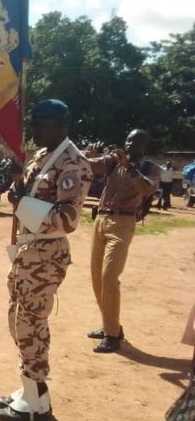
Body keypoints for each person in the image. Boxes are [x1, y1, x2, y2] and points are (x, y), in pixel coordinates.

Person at [0, 99, 92, 421]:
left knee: (31, 324)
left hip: (46, 254)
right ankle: (30, 390)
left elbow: (67, 219)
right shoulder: (42, 156)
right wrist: (17, 183)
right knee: (18, 319)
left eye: (40, 124)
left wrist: (22, 204)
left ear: (60, 125)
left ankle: (36, 403)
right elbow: (28, 193)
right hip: (28, 249)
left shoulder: (73, 163)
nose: (33, 130)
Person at [84, 130, 160, 353]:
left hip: (123, 223)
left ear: (144, 145)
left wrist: (130, 168)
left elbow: (148, 189)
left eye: (136, 141)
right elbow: (89, 166)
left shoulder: (149, 168)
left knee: (109, 276)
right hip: (101, 219)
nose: (129, 144)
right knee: (97, 278)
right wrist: (90, 154)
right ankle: (111, 325)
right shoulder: (113, 162)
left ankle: (112, 336)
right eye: (128, 140)